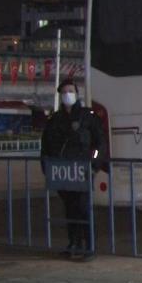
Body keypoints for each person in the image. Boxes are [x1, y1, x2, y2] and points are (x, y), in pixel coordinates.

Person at [40, 79, 105, 260]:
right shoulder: (54, 120)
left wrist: (94, 164)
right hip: (61, 172)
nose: (68, 94)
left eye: (71, 91)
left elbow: (99, 143)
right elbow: (45, 146)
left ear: (76, 94)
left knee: (84, 208)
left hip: (82, 170)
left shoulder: (88, 117)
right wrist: (46, 167)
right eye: (64, 91)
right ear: (60, 95)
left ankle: (89, 245)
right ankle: (73, 243)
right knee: (70, 208)